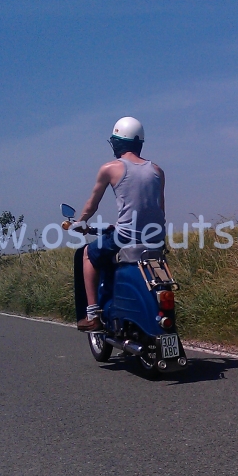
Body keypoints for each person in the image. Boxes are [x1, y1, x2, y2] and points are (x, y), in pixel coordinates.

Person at [71, 116, 166, 332]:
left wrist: (80, 222)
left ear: (116, 142)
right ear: (139, 142)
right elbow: (159, 210)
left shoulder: (110, 168)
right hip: (155, 238)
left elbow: (91, 205)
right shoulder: (158, 171)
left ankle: (93, 313)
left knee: (87, 253)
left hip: (125, 237)